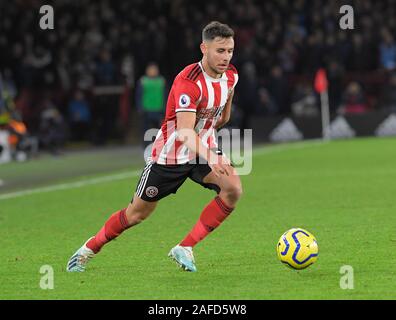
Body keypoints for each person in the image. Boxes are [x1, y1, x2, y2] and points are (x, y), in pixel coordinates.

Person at [67, 21, 241, 273]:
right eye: (220, 51)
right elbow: (183, 131)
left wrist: (211, 143)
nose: (226, 57)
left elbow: (224, 116)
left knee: (233, 189)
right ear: (204, 48)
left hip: (203, 151)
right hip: (170, 157)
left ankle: (185, 247)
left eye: (230, 51)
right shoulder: (188, 82)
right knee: (136, 214)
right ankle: (89, 249)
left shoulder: (232, 76)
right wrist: (211, 155)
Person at [135, 63, 166, 152]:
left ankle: (158, 147)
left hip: (158, 109)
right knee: (146, 129)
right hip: (146, 109)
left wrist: (164, 108)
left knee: (158, 130)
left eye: (155, 70)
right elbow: (138, 95)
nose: (153, 72)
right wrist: (140, 107)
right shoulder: (143, 81)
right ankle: (146, 147)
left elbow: (165, 95)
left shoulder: (161, 81)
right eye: (151, 70)